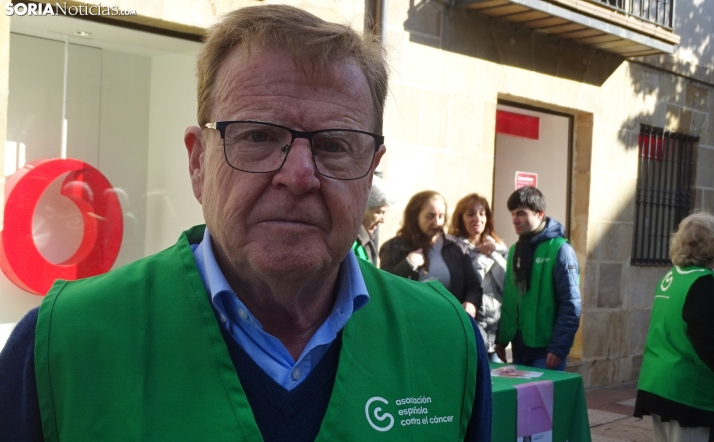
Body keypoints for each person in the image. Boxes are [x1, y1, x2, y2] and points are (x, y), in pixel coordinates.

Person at [0, 5, 492, 441]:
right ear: (198, 163)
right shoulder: (60, 347)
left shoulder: (447, 343)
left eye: (334, 144)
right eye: (257, 135)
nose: (298, 176)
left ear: (370, 172)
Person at [634, 212, 714, 441]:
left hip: (660, 384)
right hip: (689, 392)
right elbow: (707, 342)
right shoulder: (703, 283)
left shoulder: (671, 277)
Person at [494, 186, 580, 371]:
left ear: (540, 214)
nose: (515, 220)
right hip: (519, 350)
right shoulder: (514, 251)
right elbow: (511, 299)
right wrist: (501, 339)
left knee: (544, 401)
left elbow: (571, 304)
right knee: (521, 400)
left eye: (521, 214)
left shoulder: (560, 250)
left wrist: (559, 348)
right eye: (512, 214)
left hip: (547, 352)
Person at [379, 190, 483, 313]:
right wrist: (407, 264)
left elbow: (473, 287)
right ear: (415, 216)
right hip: (411, 323)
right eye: (430, 216)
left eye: (441, 216)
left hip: (447, 322)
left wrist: (471, 303)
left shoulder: (457, 247)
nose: (437, 222)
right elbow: (384, 289)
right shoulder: (393, 248)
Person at [450, 193, 508, 362]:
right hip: (470, 329)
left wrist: (493, 254)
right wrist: (482, 258)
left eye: (482, 213)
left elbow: (507, 286)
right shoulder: (454, 249)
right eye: (470, 213)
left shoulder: (500, 249)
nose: (477, 218)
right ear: (461, 218)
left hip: (495, 334)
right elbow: (472, 285)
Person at [352, 175, 394, 264]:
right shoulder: (350, 243)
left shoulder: (364, 238)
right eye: (379, 212)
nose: (383, 220)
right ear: (361, 207)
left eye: (384, 213)